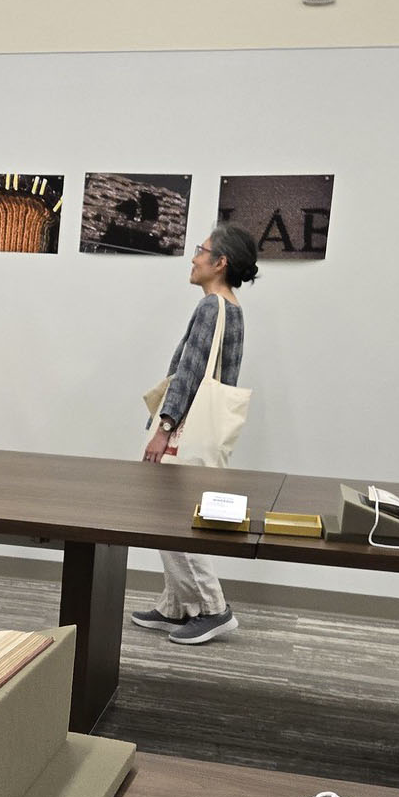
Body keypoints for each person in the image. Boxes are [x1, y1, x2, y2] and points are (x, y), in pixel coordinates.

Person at [131, 224, 259, 645]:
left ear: (219, 262)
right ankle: (178, 606)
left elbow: (189, 374)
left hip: (185, 429)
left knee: (175, 521)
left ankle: (213, 608)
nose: (193, 258)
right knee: (170, 517)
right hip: (201, 426)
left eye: (200, 251)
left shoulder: (211, 308)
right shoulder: (232, 309)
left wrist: (164, 428)